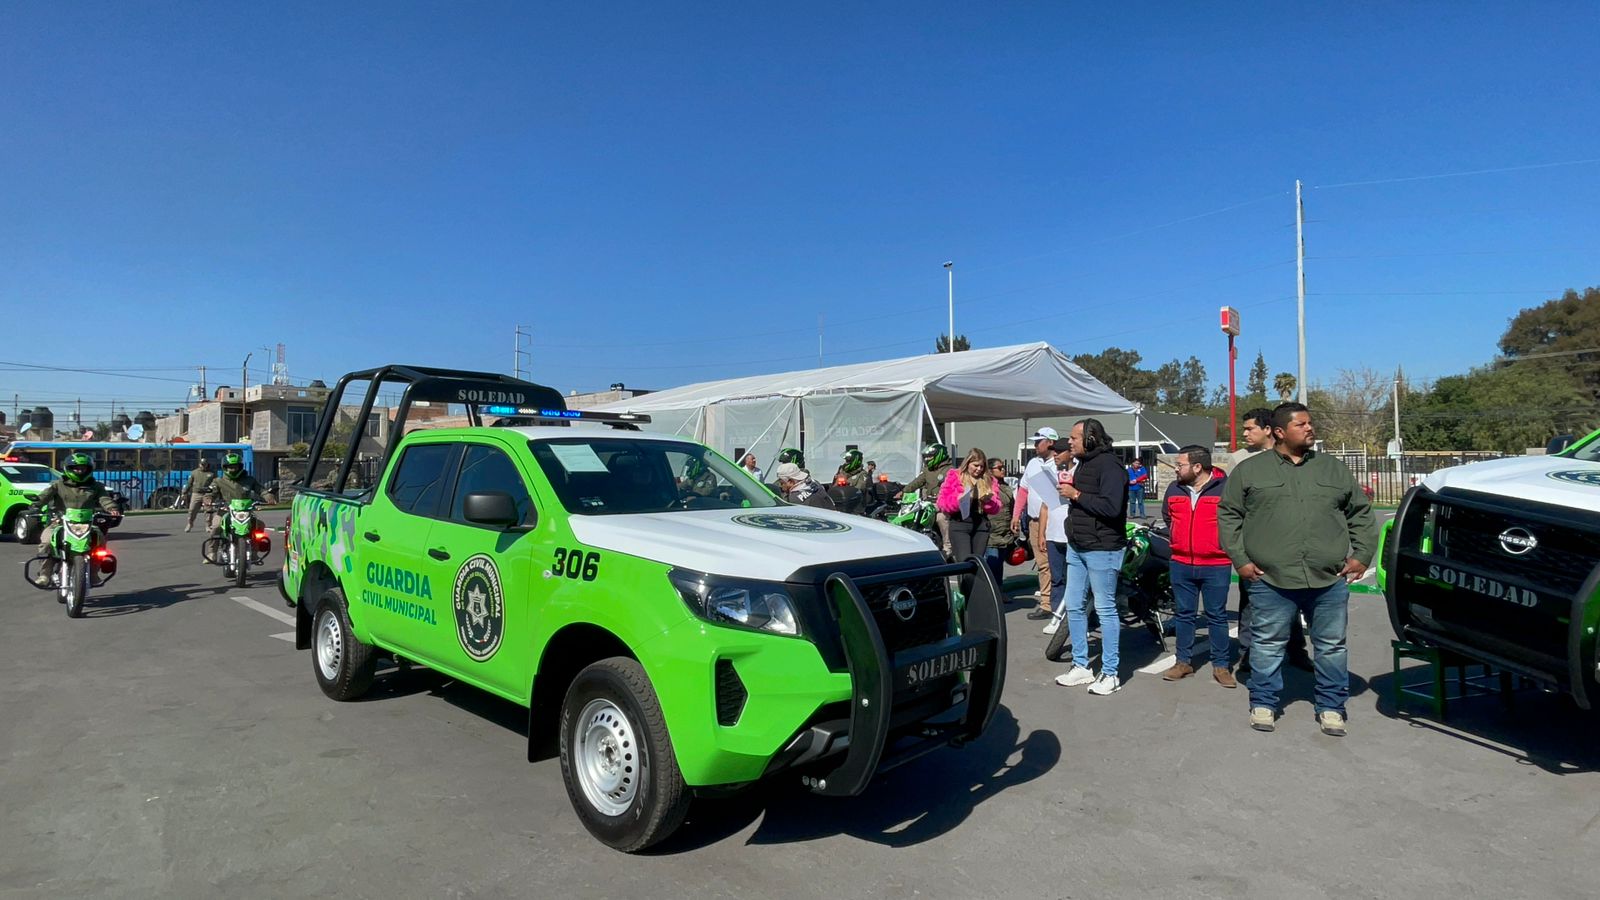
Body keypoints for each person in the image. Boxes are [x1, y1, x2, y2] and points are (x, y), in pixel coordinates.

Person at [1218, 402, 1376, 736]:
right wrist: (1240, 560)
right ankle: (1264, 702)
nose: (1309, 428)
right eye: (1301, 424)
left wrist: (1363, 554)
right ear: (1279, 432)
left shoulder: (1332, 469)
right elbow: (1229, 515)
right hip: (1271, 579)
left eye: (1310, 423)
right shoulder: (1251, 470)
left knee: (1331, 647)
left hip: (1327, 579)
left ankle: (1331, 707)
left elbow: (1360, 512)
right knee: (1267, 644)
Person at [1232, 407, 1312, 677]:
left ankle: (1296, 650)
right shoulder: (1239, 461)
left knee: (1292, 602)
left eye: (1250, 428)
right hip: (1255, 551)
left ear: (1269, 430)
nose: (1245, 434)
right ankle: (1248, 654)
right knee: (1250, 605)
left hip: (1292, 550)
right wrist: (1240, 553)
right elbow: (1232, 510)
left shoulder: (1295, 457)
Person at [1052, 419, 1129, 696]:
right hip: (1078, 545)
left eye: (1074, 438)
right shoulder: (1083, 463)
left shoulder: (1110, 466)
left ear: (1091, 438)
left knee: (1105, 609)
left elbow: (1111, 507)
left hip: (1103, 547)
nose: (1069, 442)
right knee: (1074, 605)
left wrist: (1076, 494)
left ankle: (1110, 672)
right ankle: (1081, 665)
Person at [1160, 445, 1237, 688]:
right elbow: (1168, 517)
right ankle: (1183, 662)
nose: (1176, 468)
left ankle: (1221, 666)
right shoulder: (1174, 488)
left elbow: (1236, 521)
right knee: (1184, 614)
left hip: (1216, 564)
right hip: (1181, 563)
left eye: (1180, 464)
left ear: (1197, 467)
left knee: (1216, 616)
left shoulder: (1226, 489)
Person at [30, 452, 122, 587]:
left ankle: (93, 574)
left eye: (83, 468)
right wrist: (35, 505)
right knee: (47, 542)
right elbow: (44, 496)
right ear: (68, 468)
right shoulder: (58, 485)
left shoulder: (96, 486)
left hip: (87, 523)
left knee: (100, 542)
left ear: (89, 469)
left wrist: (112, 508)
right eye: (76, 468)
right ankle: (45, 574)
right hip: (60, 522)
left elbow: (105, 499)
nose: (80, 471)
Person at [937, 449, 1003, 597]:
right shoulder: (955, 476)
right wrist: (958, 500)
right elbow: (942, 502)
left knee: (976, 564)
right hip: (960, 524)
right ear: (967, 464)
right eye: (975, 465)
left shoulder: (989, 480)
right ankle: (966, 598)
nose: (978, 469)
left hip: (980, 525)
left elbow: (997, 507)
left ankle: (975, 599)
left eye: (981, 466)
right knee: (965, 564)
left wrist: (987, 502)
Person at [1014, 427, 1059, 618]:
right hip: (1034, 521)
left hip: (1055, 520)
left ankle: (1059, 602)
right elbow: (1023, 490)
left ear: (1050, 442)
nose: (1035, 446)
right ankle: (1047, 603)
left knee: (1056, 562)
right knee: (1042, 563)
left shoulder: (1060, 463)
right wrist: (1016, 515)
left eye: (1039, 442)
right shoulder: (1033, 463)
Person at [1038, 440, 1076, 633]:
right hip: (1053, 534)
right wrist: (1041, 533)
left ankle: (1078, 618)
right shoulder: (1050, 474)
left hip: (1072, 534)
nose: (1055, 455)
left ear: (1070, 453)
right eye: (1054, 452)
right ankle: (1057, 617)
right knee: (1057, 578)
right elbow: (1045, 506)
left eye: (1060, 452)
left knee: (1074, 580)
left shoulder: (1079, 472)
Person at [899, 442, 955, 555]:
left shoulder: (950, 470)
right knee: (912, 514)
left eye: (930, 456)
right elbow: (917, 482)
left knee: (941, 518)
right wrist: (903, 491)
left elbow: (954, 488)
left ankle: (948, 547)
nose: (927, 459)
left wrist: (943, 498)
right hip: (928, 502)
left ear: (939, 455)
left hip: (944, 504)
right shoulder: (927, 469)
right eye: (926, 457)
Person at [207, 451, 269, 534]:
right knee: (217, 527)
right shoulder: (218, 481)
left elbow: (261, 490)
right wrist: (208, 499)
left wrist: (268, 496)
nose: (233, 469)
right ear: (225, 468)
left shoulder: (249, 480)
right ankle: (214, 543)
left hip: (245, 512)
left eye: (235, 466)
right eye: (230, 467)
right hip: (224, 511)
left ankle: (256, 542)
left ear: (240, 467)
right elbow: (210, 492)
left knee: (260, 525)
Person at [983, 458, 1016, 590]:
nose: (1003, 470)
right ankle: (991, 591)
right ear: (990, 471)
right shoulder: (986, 486)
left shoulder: (1006, 486)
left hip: (1005, 531)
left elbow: (1012, 507)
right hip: (992, 532)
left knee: (999, 563)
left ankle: (999, 590)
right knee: (993, 562)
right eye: (999, 468)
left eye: (1003, 467)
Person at [182, 457, 218, 533]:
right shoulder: (194, 472)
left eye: (204, 464)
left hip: (207, 494)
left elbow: (216, 483)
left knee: (208, 510)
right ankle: (190, 523)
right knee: (192, 509)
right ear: (199, 464)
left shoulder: (212, 473)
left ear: (207, 464)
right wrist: (184, 492)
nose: (203, 466)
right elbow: (189, 483)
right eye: (202, 464)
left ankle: (208, 526)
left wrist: (213, 491)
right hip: (196, 493)